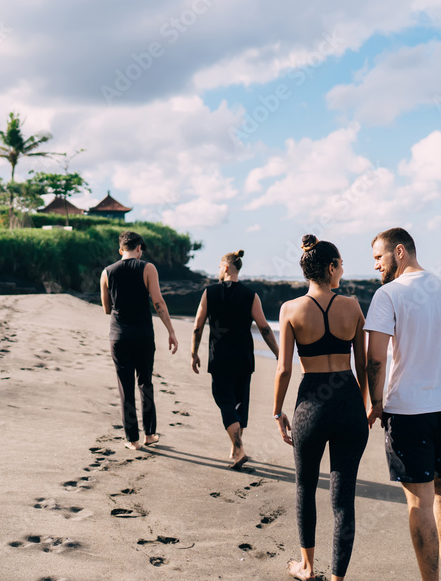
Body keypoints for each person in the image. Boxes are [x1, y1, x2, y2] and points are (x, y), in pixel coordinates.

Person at [364, 228, 441, 581]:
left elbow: (375, 358)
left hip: (408, 411)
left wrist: (376, 402)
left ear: (399, 252)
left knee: (419, 500)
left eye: (378, 258)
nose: (375, 267)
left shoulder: (388, 295)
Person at [273, 235, 369, 581]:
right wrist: (368, 406)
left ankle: (308, 567)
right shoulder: (354, 307)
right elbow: (364, 366)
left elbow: (284, 368)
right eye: (341, 264)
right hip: (348, 402)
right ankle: (338, 578)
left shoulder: (290, 309)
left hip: (311, 404)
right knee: (343, 498)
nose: (342, 269)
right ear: (330, 267)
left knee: (305, 488)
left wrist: (277, 411)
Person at [191, 249, 279, 470]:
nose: (218, 272)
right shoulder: (251, 295)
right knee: (240, 401)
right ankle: (235, 445)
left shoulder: (209, 293)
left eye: (219, 268)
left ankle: (238, 450)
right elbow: (265, 328)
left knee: (225, 401)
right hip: (243, 358)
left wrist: (194, 352)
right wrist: (279, 353)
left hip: (219, 357)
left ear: (226, 267)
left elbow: (198, 326)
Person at [100, 230, 179, 450]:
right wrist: (171, 331)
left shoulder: (107, 272)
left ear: (120, 250)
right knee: (145, 382)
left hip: (118, 336)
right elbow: (159, 303)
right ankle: (150, 434)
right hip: (143, 335)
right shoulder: (147, 268)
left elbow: (107, 308)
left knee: (125, 387)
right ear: (139, 249)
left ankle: (132, 439)